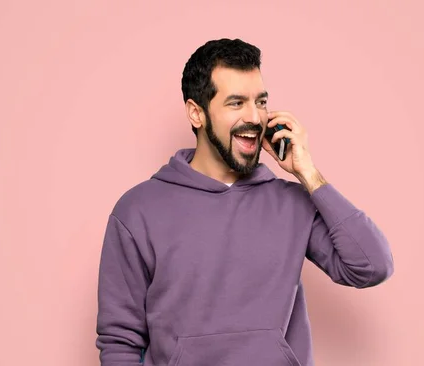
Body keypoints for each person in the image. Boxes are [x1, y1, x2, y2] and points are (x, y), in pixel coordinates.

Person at [95, 38, 394, 366]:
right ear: (197, 113)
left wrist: (308, 173)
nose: (255, 117)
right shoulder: (138, 210)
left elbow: (371, 266)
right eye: (236, 103)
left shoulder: (292, 203)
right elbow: (119, 340)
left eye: (261, 102)